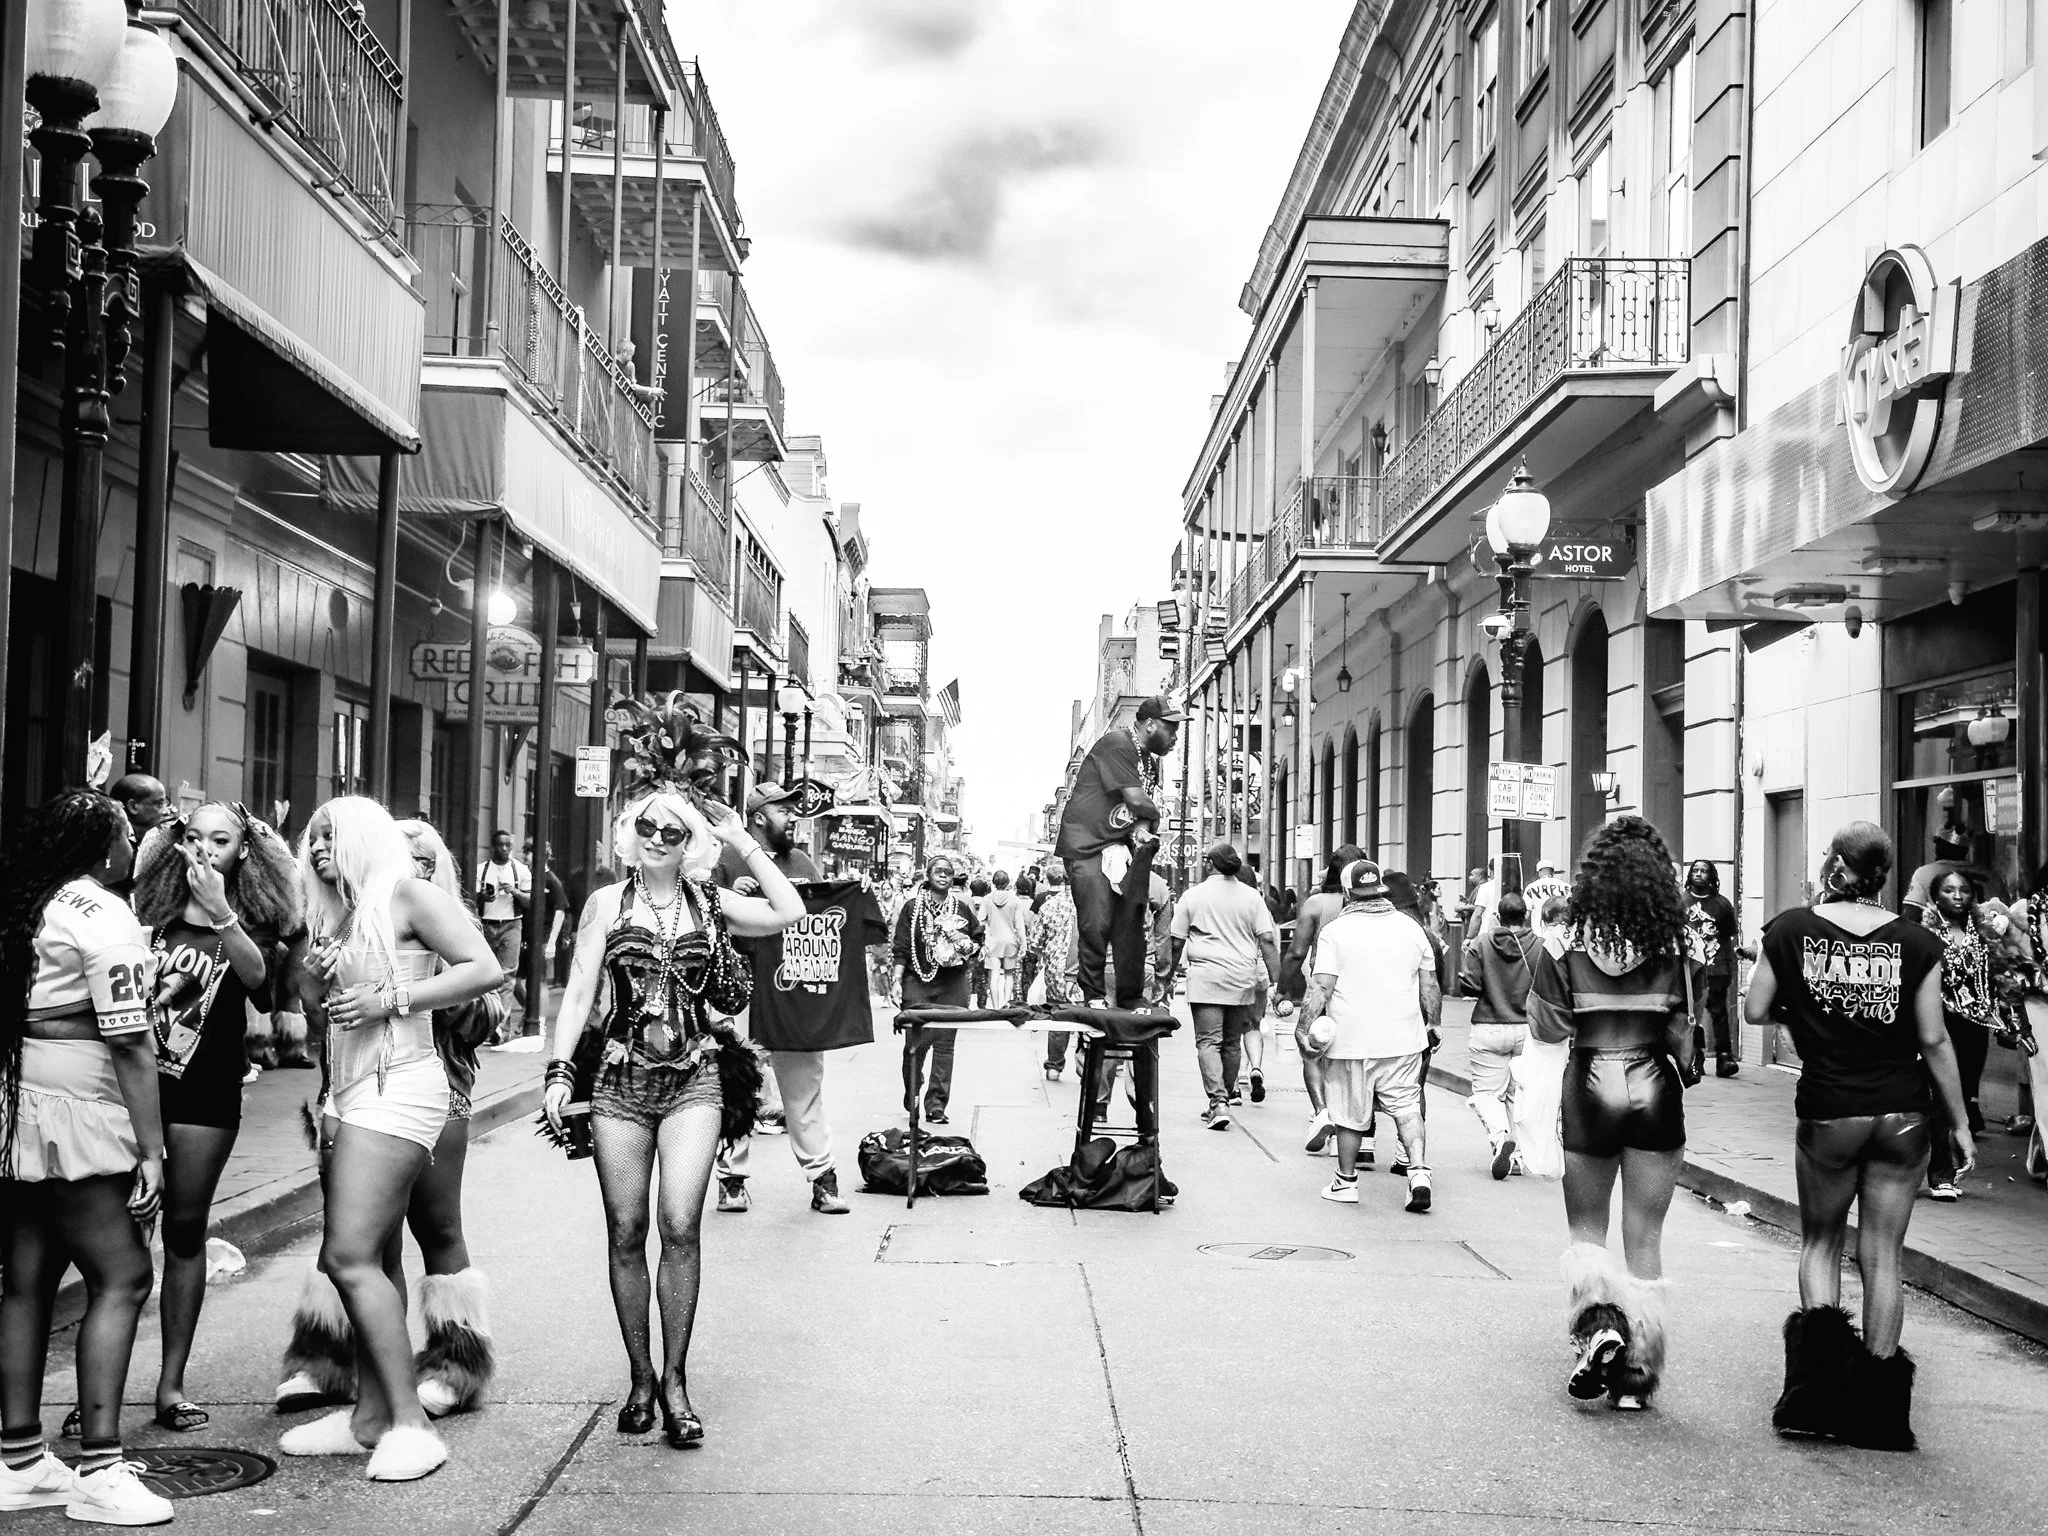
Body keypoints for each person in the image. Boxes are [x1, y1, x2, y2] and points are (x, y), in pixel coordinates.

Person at [541, 700, 802, 1449]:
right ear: (631, 836)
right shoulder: (602, 904)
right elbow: (582, 993)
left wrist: (739, 840)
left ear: (689, 843)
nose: (658, 838)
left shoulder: (709, 903)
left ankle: (679, 1381)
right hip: (619, 1083)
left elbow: (786, 911)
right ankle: (640, 1378)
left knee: (679, 1227)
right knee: (626, 1231)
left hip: (695, 1080)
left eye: (674, 831)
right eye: (648, 827)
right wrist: (561, 1074)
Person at [280, 797, 502, 1481]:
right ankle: (371, 1417)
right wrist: (314, 983)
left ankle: (410, 1423)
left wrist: (392, 999)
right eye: (313, 837)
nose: (318, 847)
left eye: (332, 835)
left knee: (346, 1256)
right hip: (348, 1092)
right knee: (374, 1255)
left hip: (400, 1085)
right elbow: (316, 1010)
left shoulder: (408, 895)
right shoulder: (341, 916)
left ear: (367, 838)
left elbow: (483, 968)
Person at [1743, 821, 1974, 1452]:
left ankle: (1815, 1401)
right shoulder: (1917, 941)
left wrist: (1814, 1010)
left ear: (1841, 869)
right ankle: (1878, 1416)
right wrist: (1958, 1123)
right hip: (1903, 1112)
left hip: (1831, 1110)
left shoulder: (1789, 930)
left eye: (1826, 857)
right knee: (1883, 1255)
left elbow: (1754, 1010)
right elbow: (1932, 1038)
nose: (1821, 864)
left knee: (1820, 1242)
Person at [0, 791, 174, 1526]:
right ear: (106, 848)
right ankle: (101, 1469)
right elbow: (131, 1041)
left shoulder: (30, 902)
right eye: (129, 835)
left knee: (28, 1277)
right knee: (124, 1274)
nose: (135, 847)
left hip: (17, 1096)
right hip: (77, 1104)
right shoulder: (103, 914)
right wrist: (153, 1149)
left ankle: (18, 1461)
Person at [129, 803, 303, 1436]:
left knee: (182, 1227)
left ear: (243, 851)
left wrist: (222, 912)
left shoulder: (253, 917)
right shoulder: (150, 914)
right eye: (193, 837)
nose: (205, 849)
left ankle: (171, 1385)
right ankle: (98, 1386)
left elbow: (259, 985)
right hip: (137, 1089)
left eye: (220, 840)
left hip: (207, 1093)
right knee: (122, 1241)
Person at [1528, 816, 1694, 1413]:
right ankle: (1637, 1376)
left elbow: (1548, 1025)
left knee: (1587, 1230)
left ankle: (1599, 1327)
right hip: (1653, 1083)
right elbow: (1683, 1033)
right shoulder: (1677, 944)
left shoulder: (1563, 942)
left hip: (1590, 1083)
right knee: (1645, 1238)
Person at [1297, 859, 1440, 1213]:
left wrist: (1304, 1027)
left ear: (1347, 892)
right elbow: (1430, 984)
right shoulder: (1411, 928)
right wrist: (1434, 1022)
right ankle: (1419, 1171)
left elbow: (1322, 986)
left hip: (1352, 1041)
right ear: (1381, 890)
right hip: (1405, 1037)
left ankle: (1345, 1182)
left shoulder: (1335, 932)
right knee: (1407, 1106)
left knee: (1349, 1113)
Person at [710, 782, 819, 1212]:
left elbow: (820, 920)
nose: (794, 817)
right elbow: (704, 917)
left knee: (805, 1080)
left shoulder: (803, 862)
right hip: (738, 983)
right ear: (758, 816)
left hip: (793, 988)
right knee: (735, 1079)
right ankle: (731, 1179)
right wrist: (734, 899)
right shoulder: (725, 859)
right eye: (785, 810)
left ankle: (822, 1175)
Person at [1056, 697, 1180, 1008]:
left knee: (1131, 923)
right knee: (1096, 921)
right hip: (1087, 845)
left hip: (1119, 845)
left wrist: (1143, 827)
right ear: (1150, 724)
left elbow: (1140, 816)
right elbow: (1138, 803)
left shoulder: (1148, 761)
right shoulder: (1118, 743)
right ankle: (1094, 994)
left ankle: (1130, 996)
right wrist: (1154, 817)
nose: (1175, 737)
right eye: (1171, 728)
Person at [1171, 842, 1281, 1130]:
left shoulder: (1192, 896)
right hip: (1241, 978)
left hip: (1206, 977)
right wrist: (1276, 979)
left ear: (1209, 864)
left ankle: (1217, 1102)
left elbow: (1175, 941)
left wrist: (1166, 974)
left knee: (1208, 1042)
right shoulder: (1252, 897)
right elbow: (1267, 940)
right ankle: (1227, 1096)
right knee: (1232, 1042)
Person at [1919, 869, 2014, 1198]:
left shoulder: (1985, 934)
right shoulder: (1925, 935)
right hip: (1939, 1020)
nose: (1958, 896)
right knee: (1941, 1095)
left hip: (1975, 1024)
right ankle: (1940, 1174)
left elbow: (2000, 976)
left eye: (1963, 890)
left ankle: (1946, 1155)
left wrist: (2006, 1014)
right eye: (1949, 890)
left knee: (1964, 1091)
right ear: (1936, 897)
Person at [888, 854, 983, 1125]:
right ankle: (913, 1090)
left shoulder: (962, 908)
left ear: (953, 879)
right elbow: (902, 947)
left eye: (948, 872)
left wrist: (964, 942)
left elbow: (977, 942)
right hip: (917, 981)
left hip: (952, 983)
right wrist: (896, 980)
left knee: (944, 1045)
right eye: (938, 871)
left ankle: (936, 1105)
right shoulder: (911, 907)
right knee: (915, 1044)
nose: (943, 875)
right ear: (928, 876)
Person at [1287, 846, 1362, 1156]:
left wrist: (1283, 989)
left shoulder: (1316, 904)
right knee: (1351, 1058)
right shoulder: (1370, 907)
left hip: (1323, 985)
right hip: (1359, 988)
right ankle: (1355, 1130)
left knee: (1312, 1050)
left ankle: (1321, 1112)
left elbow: (1296, 952)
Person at [1460, 889, 1538, 1180]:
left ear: (1497, 916)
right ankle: (1516, 1157)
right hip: (1527, 1029)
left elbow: (1469, 986)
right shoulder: (1540, 946)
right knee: (1517, 1096)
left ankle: (1499, 1135)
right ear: (1527, 915)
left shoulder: (1481, 943)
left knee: (1485, 1093)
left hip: (1488, 1025)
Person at [1683, 860, 1741, 1078]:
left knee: (1719, 1012)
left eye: (1703, 871)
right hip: (1688, 968)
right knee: (1690, 1014)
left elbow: (1727, 937)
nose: (1699, 874)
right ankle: (1694, 1056)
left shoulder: (1722, 904)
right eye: (1695, 871)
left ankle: (1724, 1056)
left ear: (1712, 876)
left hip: (1716, 967)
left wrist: (1729, 968)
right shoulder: (1680, 902)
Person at [1901, 823, 2011, 924]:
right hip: (1986, 938)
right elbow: (2007, 911)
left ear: (1940, 847)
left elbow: (1911, 914)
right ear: (1965, 850)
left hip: (1941, 938)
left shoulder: (1925, 873)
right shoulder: (1990, 875)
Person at [474, 829, 530, 1019]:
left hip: (511, 925)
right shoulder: (481, 869)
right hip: (487, 924)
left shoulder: (520, 869)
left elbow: (531, 901)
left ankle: (501, 1025)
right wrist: (484, 897)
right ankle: (488, 1019)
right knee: (486, 974)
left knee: (507, 977)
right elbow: (471, 899)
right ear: (493, 847)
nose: (504, 849)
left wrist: (514, 891)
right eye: (500, 845)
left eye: (508, 845)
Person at [1034, 865, 1081, 1078]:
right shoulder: (1090, 905)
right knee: (1088, 1014)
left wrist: (1045, 955)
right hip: (1085, 967)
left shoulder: (1049, 905)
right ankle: (1086, 1062)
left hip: (1055, 969)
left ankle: (1054, 1065)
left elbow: (1036, 941)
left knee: (1058, 1014)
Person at [981, 870, 1030, 1009]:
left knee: (994, 975)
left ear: (993, 883)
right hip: (1010, 942)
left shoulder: (987, 899)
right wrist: (1024, 944)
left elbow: (981, 921)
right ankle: (1006, 1004)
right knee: (1009, 975)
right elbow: (1019, 925)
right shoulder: (1015, 901)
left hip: (992, 942)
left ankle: (995, 1007)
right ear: (1008, 883)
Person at [525, 841, 571, 986]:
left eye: (528, 853)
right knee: (522, 980)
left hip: (543, 936)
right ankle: (532, 1008)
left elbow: (560, 911)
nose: (525, 857)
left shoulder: (551, 881)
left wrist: (551, 942)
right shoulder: (527, 877)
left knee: (538, 981)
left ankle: (538, 1009)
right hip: (527, 935)